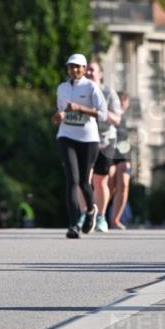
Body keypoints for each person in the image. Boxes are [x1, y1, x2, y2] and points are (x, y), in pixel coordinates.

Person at [52, 53, 107, 239]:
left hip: (88, 139)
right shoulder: (62, 88)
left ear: (84, 69)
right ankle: (73, 224)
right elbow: (61, 112)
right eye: (71, 67)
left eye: (78, 67)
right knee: (72, 181)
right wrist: (58, 117)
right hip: (66, 136)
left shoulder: (91, 87)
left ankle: (91, 211)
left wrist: (80, 109)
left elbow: (103, 114)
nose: (74, 70)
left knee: (84, 182)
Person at [85, 60, 122, 232]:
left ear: (100, 74)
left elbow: (117, 119)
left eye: (92, 70)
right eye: (87, 70)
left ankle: (101, 217)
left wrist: (101, 111)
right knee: (84, 180)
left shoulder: (109, 93)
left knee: (100, 181)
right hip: (85, 139)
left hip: (106, 140)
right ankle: (86, 214)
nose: (89, 73)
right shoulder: (81, 92)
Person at [109, 91, 131, 229]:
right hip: (109, 150)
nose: (122, 104)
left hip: (123, 151)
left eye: (124, 101)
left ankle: (115, 219)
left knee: (123, 183)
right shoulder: (109, 114)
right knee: (109, 184)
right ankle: (99, 214)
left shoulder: (125, 118)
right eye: (120, 101)